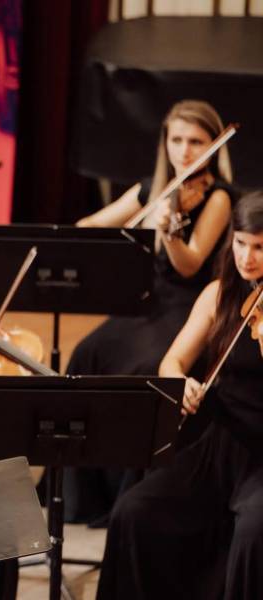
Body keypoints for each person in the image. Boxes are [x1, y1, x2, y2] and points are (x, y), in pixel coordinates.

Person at [64, 99, 235, 525]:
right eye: (176, 139)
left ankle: (128, 495)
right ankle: (86, 495)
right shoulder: (150, 188)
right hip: (146, 302)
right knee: (86, 354)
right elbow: (91, 225)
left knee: (142, 369)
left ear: (213, 144)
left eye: (196, 141)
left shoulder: (218, 197)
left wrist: (169, 229)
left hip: (190, 306)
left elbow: (190, 263)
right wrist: (92, 237)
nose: (185, 151)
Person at [96, 190, 263, 600]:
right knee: (134, 512)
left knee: (254, 533)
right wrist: (182, 383)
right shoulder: (218, 294)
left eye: (259, 247)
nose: (247, 258)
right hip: (219, 445)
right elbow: (171, 363)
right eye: (240, 243)